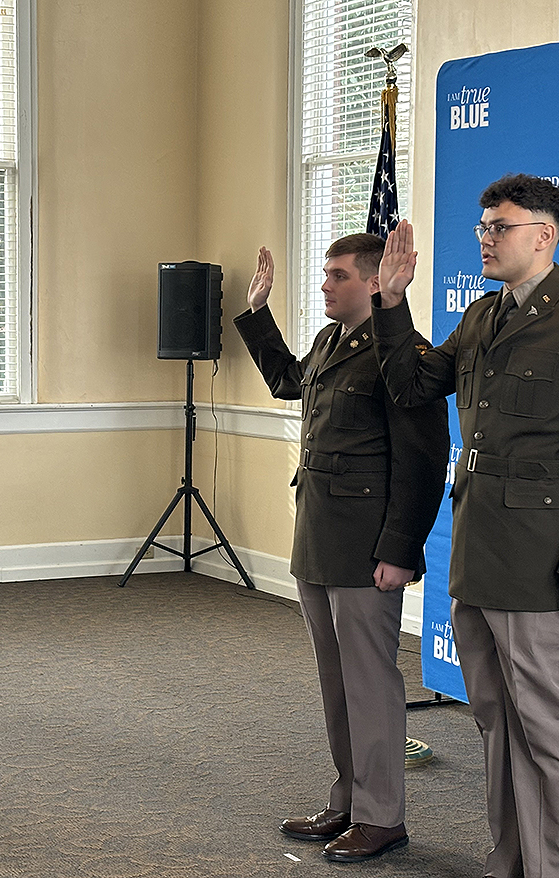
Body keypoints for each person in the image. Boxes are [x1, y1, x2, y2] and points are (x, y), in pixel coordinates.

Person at [371, 174, 559, 878]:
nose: (485, 237)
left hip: (542, 566)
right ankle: (510, 864)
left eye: (501, 226)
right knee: (496, 726)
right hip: (480, 560)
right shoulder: (483, 315)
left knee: (545, 732)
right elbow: (414, 385)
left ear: (544, 236)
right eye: (483, 227)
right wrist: (392, 303)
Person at [234, 236, 448, 863]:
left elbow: (423, 460)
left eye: (337, 275)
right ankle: (350, 801)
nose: (324, 285)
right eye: (324, 273)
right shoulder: (331, 342)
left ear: (375, 281)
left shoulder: (401, 354)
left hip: (368, 547)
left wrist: (403, 549)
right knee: (336, 680)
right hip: (319, 537)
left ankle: (383, 817)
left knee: (370, 683)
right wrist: (257, 311)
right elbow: (286, 381)